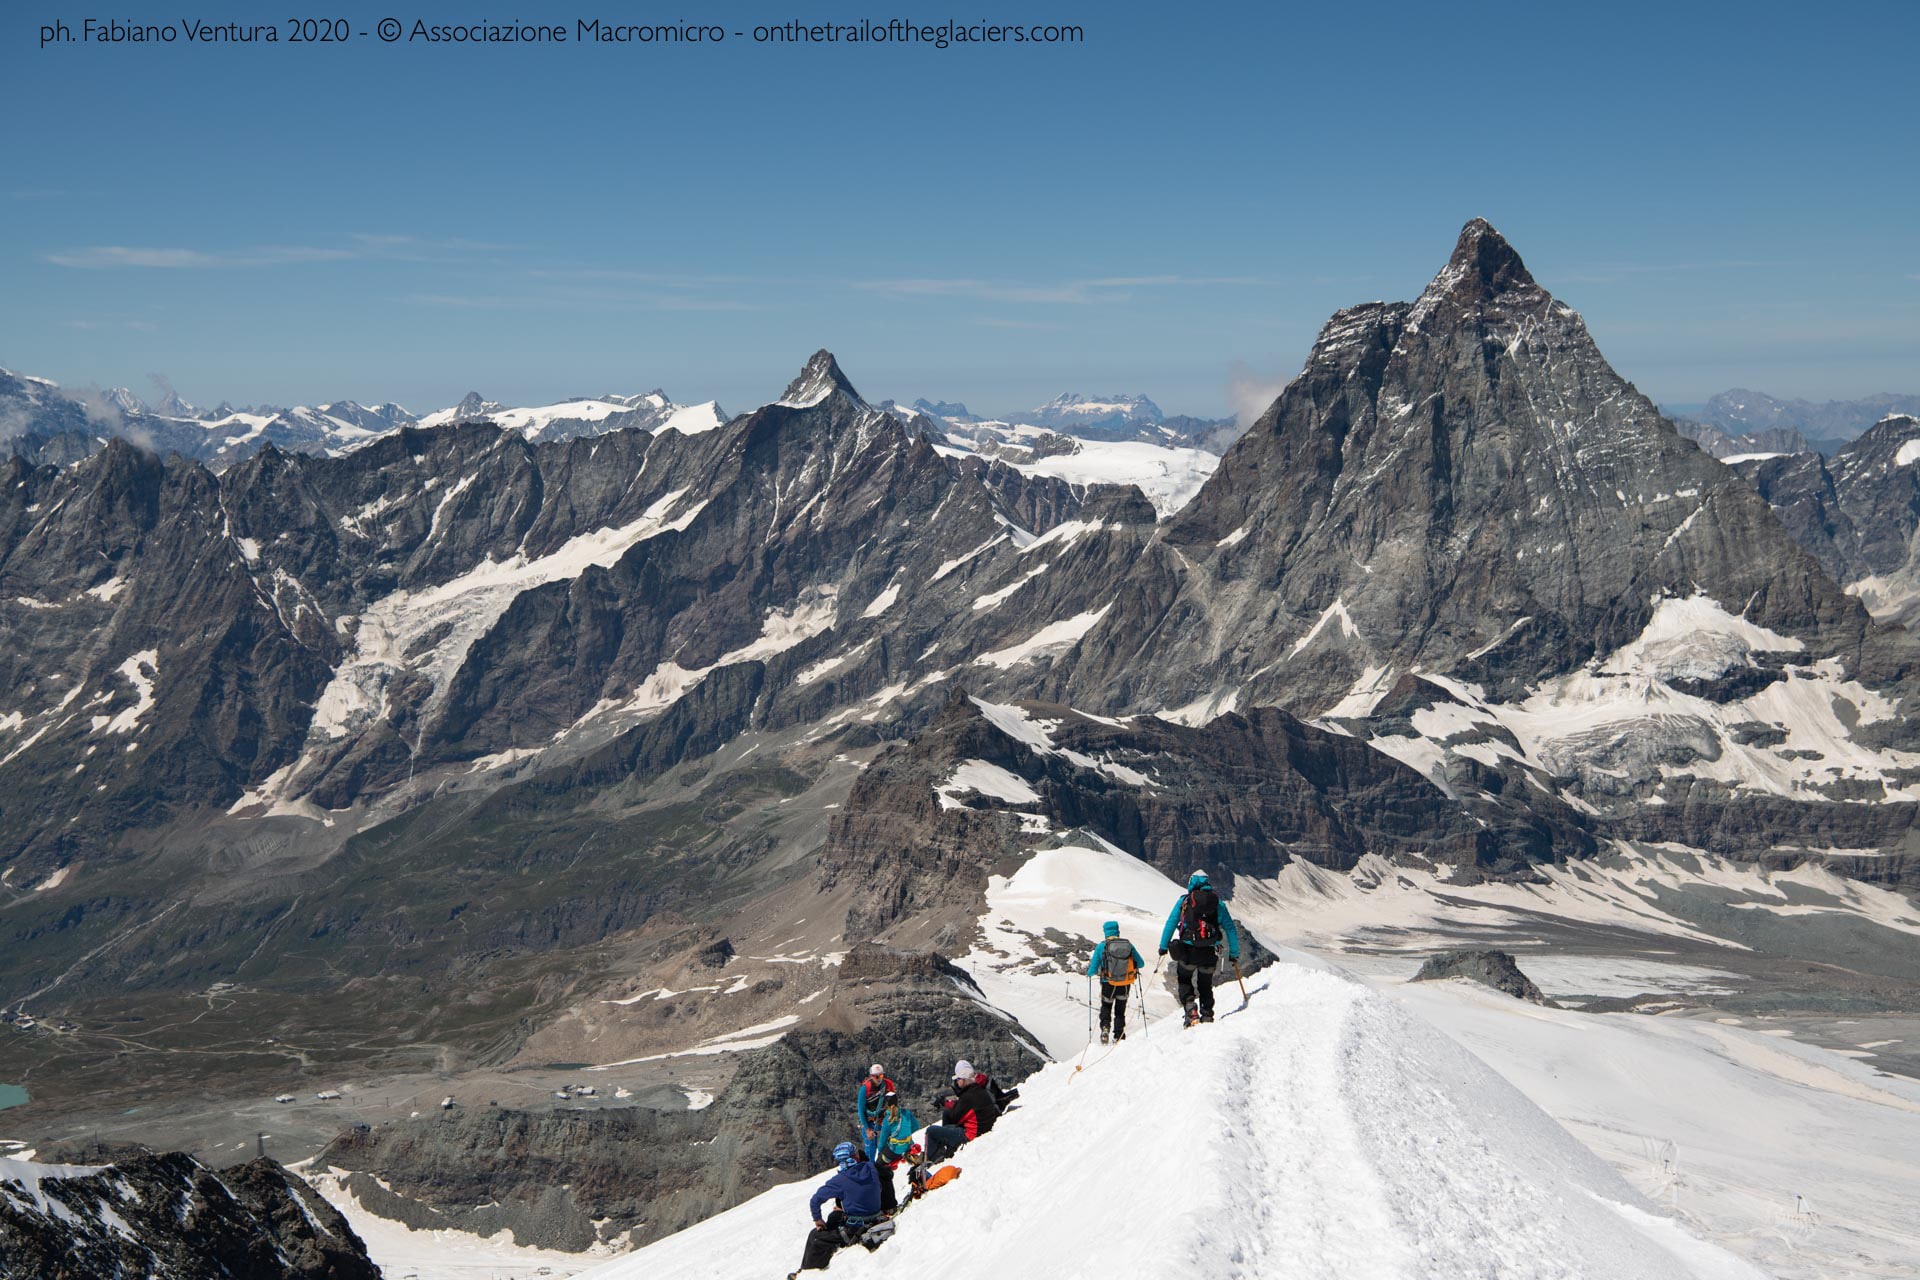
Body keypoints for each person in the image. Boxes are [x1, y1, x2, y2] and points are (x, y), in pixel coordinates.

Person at [1158, 869, 1240, 1026]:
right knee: (1205, 984)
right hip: (1209, 951)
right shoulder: (1218, 903)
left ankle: (1191, 1010)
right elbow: (1230, 928)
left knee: (1184, 979)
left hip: (1188, 951)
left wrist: (1163, 947)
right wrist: (1234, 954)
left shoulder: (1184, 901)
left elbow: (1171, 923)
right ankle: (1207, 1014)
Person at [792, 1140, 882, 1275]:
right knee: (834, 1217)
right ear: (856, 1156)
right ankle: (831, 1245)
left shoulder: (839, 1181)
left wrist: (817, 1219)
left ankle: (807, 1272)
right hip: (875, 1218)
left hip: (856, 1228)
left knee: (815, 1237)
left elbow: (815, 1201)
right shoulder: (870, 1168)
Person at [921, 1059, 998, 1161]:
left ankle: (931, 1160)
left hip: (970, 1135)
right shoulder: (978, 1089)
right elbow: (962, 1108)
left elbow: (955, 1116)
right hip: (981, 1127)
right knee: (947, 1114)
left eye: (958, 1079)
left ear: (964, 1079)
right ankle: (948, 1148)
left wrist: (948, 1102)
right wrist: (947, 1103)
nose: (956, 1082)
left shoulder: (967, 1096)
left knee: (931, 1131)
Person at [1084, 919, 1145, 1044]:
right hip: (1125, 983)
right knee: (1120, 1010)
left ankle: (1105, 1028)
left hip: (1108, 983)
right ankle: (1119, 1035)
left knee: (1106, 1006)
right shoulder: (1128, 945)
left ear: (1105, 932)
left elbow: (1093, 967)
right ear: (1118, 931)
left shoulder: (1102, 946)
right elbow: (1141, 963)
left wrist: (1090, 973)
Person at [872, 1090, 917, 1211]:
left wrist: (880, 1152)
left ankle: (885, 1203)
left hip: (893, 1150)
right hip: (908, 1146)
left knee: (878, 1168)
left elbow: (882, 1142)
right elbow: (916, 1127)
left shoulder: (888, 1120)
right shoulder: (907, 1113)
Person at [854, 1062, 894, 1160]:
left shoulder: (888, 1084)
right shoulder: (865, 1089)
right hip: (868, 1121)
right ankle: (869, 1168)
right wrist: (867, 1129)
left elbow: (893, 1102)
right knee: (871, 1146)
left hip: (882, 1119)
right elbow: (861, 1110)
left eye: (881, 1075)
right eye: (876, 1076)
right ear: (871, 1076)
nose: (879, 1078)